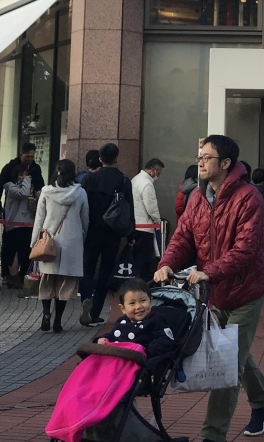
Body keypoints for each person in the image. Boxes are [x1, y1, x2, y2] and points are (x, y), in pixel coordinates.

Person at [155, 134, 264, 442]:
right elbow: (183, 236)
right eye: (200, 156)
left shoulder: (249, 197)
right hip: (216, 291)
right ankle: (263, 402)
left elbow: (246, 249)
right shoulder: (197, 196)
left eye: (207, 157)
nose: (201, 162)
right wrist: (166, 263)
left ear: (226, 163)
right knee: (235, 350)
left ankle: (214, 437)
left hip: (246, 290)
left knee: (228, 361)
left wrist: (210, 271)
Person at [31, 159, 90, 333]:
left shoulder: (46, 192)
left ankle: (46, 314)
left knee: (47, 280)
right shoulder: (80, 193)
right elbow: (85, 220)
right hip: (72, 242)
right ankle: (58, 321)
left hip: (49, 242)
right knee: (65, 283)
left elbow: (39, 219)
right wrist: (81, 237)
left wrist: (34, 242)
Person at [82, 142, 135, 326]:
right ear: (116, 159)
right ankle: (95, 312)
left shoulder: (89, 180)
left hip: (91, 230)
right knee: (105, 271)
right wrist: (131, 234)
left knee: (87, 267)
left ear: (100, 159)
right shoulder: (123, 181)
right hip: (113, 232)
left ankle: (85, 298)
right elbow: (129, 209)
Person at [0, 148, 43, 287]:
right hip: (13, 223)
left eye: (27, 175)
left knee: (25, 251)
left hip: (27, 223)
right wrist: (28, 181)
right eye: (22, 175)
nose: (26, 177)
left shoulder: (32, 176)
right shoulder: (11, 186)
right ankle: (10, 276)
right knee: (12, 252)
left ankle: (22, 276)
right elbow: (23, 193)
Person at [130, 157, 164, 280]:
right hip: (145, 228)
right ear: (153, 170)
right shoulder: (147, 184)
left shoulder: (135, 179)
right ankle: (142, 284)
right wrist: (157, 221)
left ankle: (135, 283)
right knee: (144, 261)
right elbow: (151, 207)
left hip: (135, 225)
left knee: (136, 260)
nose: (159, 175)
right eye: (159, 172)